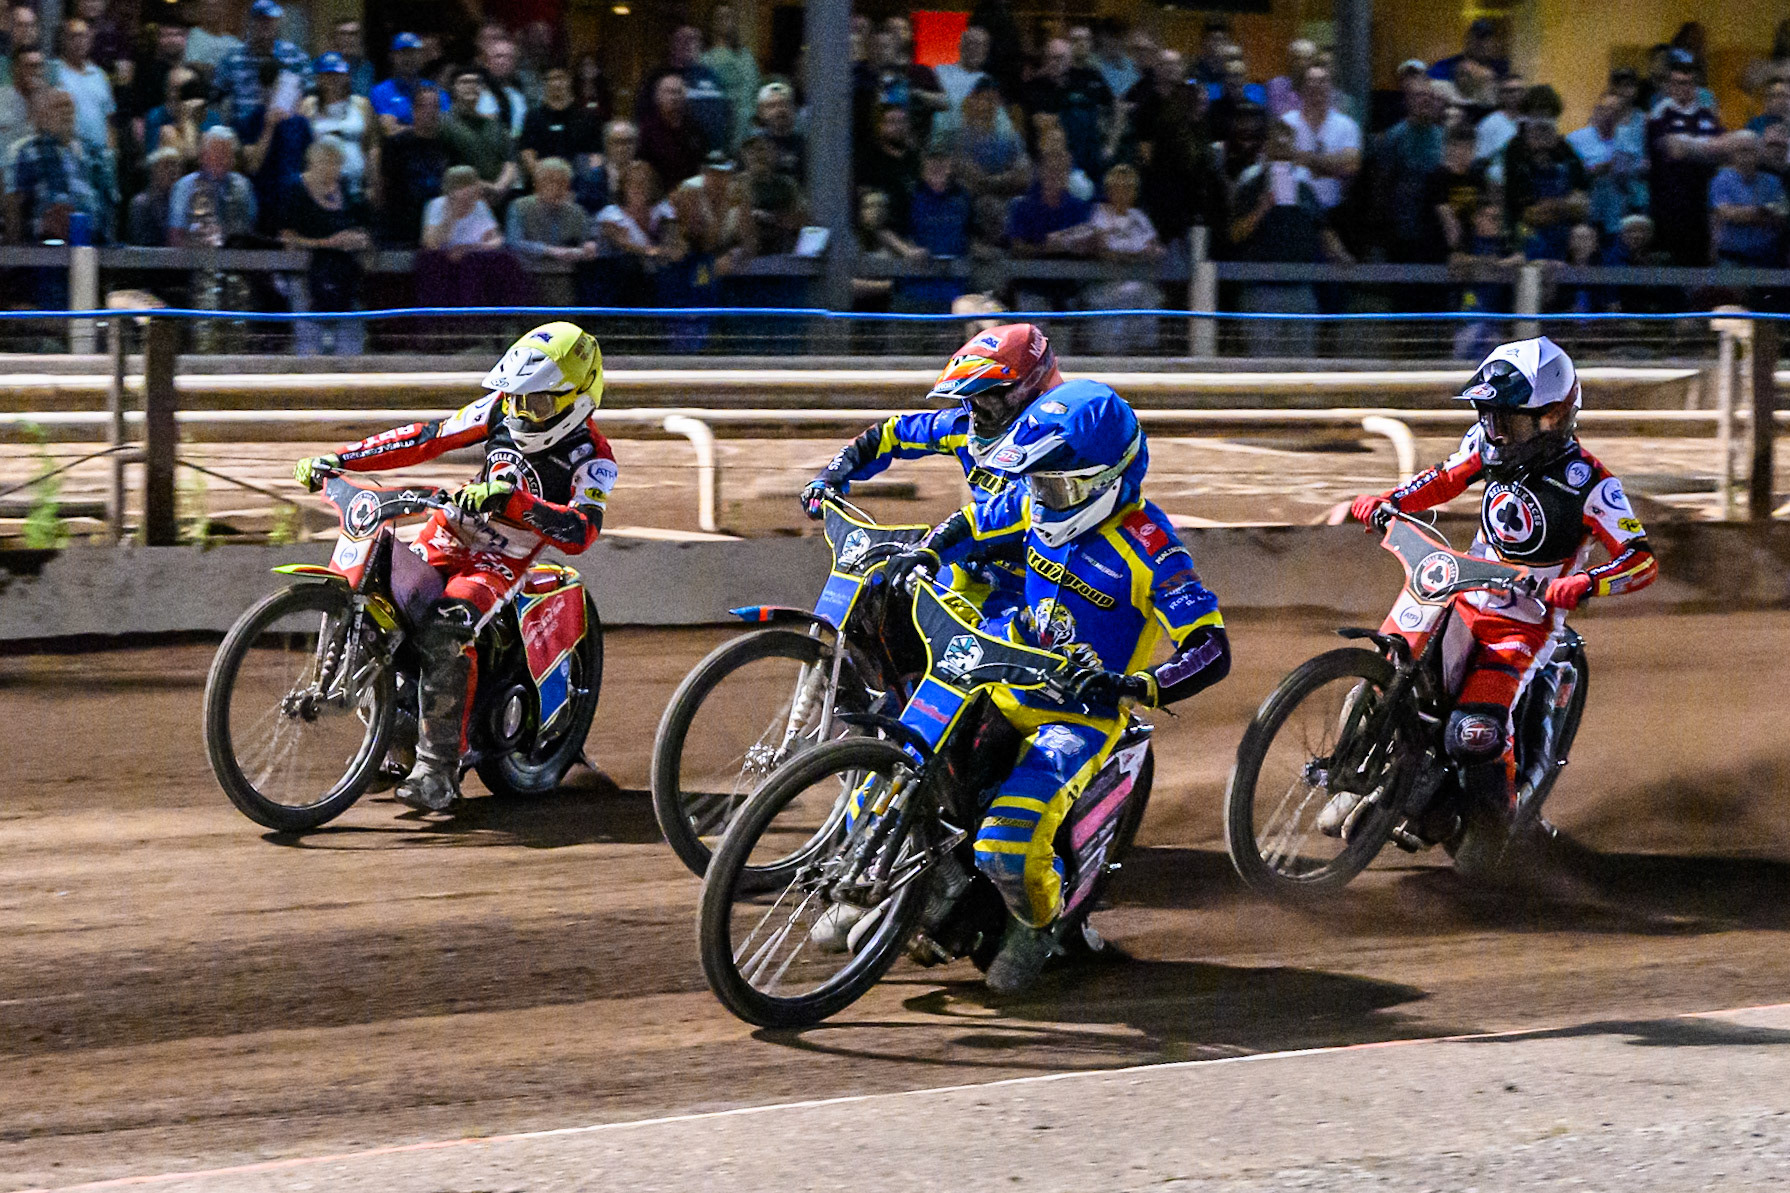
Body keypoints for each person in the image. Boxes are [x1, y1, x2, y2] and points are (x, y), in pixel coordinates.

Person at [858, 383, 1229, 991]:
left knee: (1006, 846)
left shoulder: (1153, 548)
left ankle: (1038, 924)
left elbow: (1210, 649)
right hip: (997, 667)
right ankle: (911, 876)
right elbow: (972, 523)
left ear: (1105, 481)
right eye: (1033, 483)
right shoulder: (1035, 502)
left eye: (1053, 487)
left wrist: (1135, 682)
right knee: (897, 752)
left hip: (1078, 713)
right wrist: (925, 553)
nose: (1038, 499)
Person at [1337, 338, 1655, 855]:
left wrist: (1586, 582)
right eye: (1488, 416)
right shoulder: (1487, 442)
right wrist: (1389, 503)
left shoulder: (1591, 484)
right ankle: (1391, 773)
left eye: (1509, 419)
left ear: (1553, 417)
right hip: (1461, 594)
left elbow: (1641, 560)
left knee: (1474, 731)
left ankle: (1500, 826)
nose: (1496, 430)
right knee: (1391, 673)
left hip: (1524, 624)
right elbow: (1443, 480)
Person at [293, 324, 616, 813]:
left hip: (501, 559)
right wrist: (341, 458)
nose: (522, 411)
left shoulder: (594, 457)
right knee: (383, 598)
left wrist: (516, 502)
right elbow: (427, 438)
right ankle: (389, 729)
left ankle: (437, 770)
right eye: (515, 399)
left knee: (445, 630)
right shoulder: (498, 409)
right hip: (448, 532)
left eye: (539, 403)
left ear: (579, 398)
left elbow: (582, 531)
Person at [801, 323, 1063, 620]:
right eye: (973, 400)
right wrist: (829, 477)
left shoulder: (1060, 446)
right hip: (965, 568)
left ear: (1028, 391)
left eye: (988, 400)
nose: (978, 412)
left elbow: (1005, 512)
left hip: (1034, 590)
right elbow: (890, 434)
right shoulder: (963, 427)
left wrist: (935, 546)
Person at [278, 136, 371, 355]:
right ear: (313, 162)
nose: (334, 169)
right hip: (306, 278)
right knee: (310, 348)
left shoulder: (347, 188)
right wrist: (328, 243)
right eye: (329, 162)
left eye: (338, 163)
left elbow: (362, 225)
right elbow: (288, 239)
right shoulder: (295, 190)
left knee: (350, 350)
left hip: (346, 278)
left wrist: (358, 239)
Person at [1647, 49, 1725, 267]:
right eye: (1678, 83)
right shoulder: (1660, 114)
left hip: (1702, 196)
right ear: (1669, 86)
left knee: (1700, 260)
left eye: (1688, 83)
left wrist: (1692, 148)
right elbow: (1674, 151)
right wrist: (1706, 148)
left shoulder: (1707, 114)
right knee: (1672, 260)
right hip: (1671, 199)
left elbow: (1723, 150)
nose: (1683, 89)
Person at [1566, 92, 1648, 237]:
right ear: (1596, 110)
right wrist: (1592, 170)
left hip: (1620, 215)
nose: (1608, 114)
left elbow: (1639, 172)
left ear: (1622, 115)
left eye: (1614, 110)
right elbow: (1568, 174)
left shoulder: (1630, 141)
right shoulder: (1575, 139)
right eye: (1604, 109)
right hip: (1587, 214)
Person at [214, 0, 310, 124]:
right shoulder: (232, 58)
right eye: (260, 20)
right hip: (244, 129)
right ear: (250, 22)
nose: (265, 25)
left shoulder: (295, 55)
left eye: (270, 20)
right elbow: (216, 96)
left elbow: (310, 92)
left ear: (277, 22)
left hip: (285, 127)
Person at [1281, 64, 1359, 212]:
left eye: (1323, 81)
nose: (1316, 85)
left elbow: (1352, 165)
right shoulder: (1286, 122)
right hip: (1292, 210)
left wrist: (1302, 159)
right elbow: (1278, 165)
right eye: (1311, 80)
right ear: (1302, 88)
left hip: (1332, 210)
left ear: (1331, 87)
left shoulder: (1346, 125)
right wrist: (1331, 164)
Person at [378, 83, 446, 245]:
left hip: (435, 227)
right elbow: (383, 186)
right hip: (401, 227)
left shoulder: (447, 145)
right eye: (424, 107)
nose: (430, 112)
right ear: (414, 110)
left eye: (435, 107)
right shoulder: (396, 145)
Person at [301, 53, 374, 201]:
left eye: (337, 74)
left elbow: (370, 146)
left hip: (356, 186)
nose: (333, 79)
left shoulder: (361, 105)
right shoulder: (309, 106)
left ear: (346, 76)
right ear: (319, 79)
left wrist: (372, 185)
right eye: (327, 75)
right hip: (322, 189)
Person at [1710, 130, 1786, 269]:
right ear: (1731, 154)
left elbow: (1781, 217)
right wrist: (1764, 212)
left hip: (1766, 257)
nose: (1746, 157)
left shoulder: (1773, 182)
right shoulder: (1721, 180)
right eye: (1741, 151)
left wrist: (1745, 213)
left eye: (1751, 151)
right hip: (1731, 257)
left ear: (1759, 153)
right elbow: (1730, 214)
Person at [701, 3, 759, 151]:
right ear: (712, 22)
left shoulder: (745, 56)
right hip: (714, 127)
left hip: (742, 127)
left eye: (729, 17)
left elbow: (752, 88)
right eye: (720, 17)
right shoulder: (704, 58)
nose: (724, 21)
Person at [50, 18, 112, 151]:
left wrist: (112, 152)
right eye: (73, 36)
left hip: (100, 154)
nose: (79, 41)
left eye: (83, 36)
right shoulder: (53, 72)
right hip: (69, 153)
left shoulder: (99, 74)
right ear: (64, 40)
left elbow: (108, 118)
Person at [369, 33, 439, 136]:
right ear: (393, 57)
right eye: (403, 53)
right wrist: (425, 128)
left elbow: (444, 128)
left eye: (413, 53)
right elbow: (389, 130)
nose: (409, 58)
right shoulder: (380, 91)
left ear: (422, 56)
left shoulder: (434, 89)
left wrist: (402, 127)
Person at [127, 145, 181, 244]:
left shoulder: (182, 201)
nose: (173, 170)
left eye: (175, 165)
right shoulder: (141, 204)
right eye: (166, 165)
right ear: (154, 171)